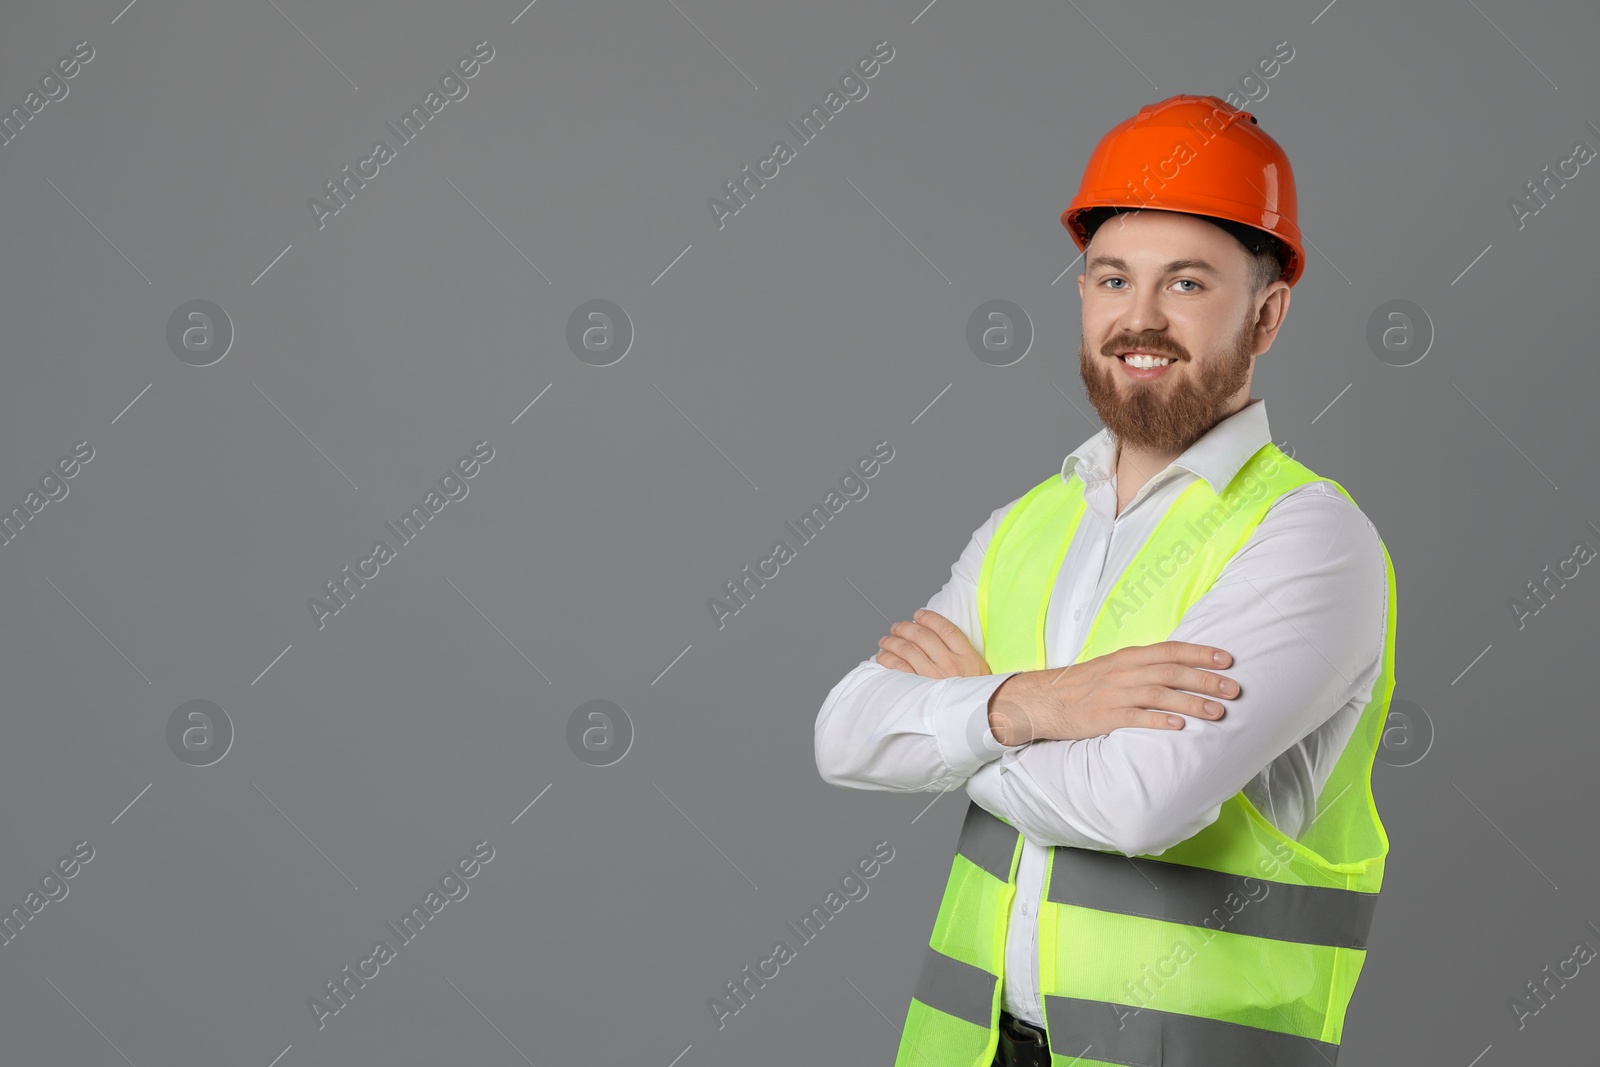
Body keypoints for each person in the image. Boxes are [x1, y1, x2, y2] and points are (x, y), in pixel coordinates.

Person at [813, 95, 1398, 1067]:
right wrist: (1038, 702)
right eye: (1111, 277)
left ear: (1266, 313)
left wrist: (959, 723)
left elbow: (1140, 805)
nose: (1138, 316)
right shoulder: (1025, 524)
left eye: (1186, 283)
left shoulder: (1306, 537)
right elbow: (842, 733)